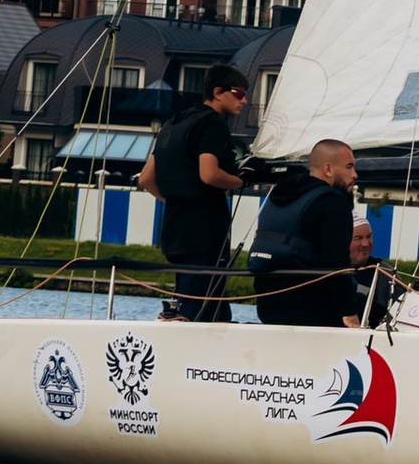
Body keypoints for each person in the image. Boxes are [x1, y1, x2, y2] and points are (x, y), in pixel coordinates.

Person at [137, 64, 252, 323]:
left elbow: (146, 179)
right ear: (219, 92)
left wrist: (175, 199)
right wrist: (239, 181)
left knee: (192, 301)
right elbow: (209, 174)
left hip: (175, 228)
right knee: (203, 306)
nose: (243, 101)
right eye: (240, 94)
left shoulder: (173, 122)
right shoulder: (214, 124)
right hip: (204, 230)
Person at [250, 140, 373, 330]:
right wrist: (349, 313)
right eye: (349, 167)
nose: (354, 174)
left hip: (267, 305)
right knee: (373, 311)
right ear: (328, 169)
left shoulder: (277, 195)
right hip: (311, 309)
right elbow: (337, 262)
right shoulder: (332, 203)